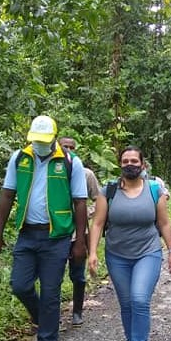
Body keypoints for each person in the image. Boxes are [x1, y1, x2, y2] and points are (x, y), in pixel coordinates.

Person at [0, 116, 88, 341]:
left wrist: (80, 241)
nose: (39, 145)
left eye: (44, 141)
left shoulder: (70, 162)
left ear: (54, 138)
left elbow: (80, 201)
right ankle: (41, 317)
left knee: (50, 292)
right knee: (19, 285)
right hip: (27, 233)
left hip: (57, 237)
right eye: (36, 141)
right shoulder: (19, 158)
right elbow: (8, 193)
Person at [88, 145, 171, 341]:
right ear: (120, 164)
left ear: (142, 165)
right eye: (125, 161)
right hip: (117, 255)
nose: (130, 164)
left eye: (134, 161)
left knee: (139, 299)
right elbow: (97, 223)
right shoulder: (109, 191)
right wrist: (93, 253)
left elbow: (164, 223)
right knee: (126, 303)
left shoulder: (154, 190)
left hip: (147, 252)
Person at [59, 136, 101, 327]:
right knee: (53, 276)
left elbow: (98, 200)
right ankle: (52, 313)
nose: (68, 149)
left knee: (78, 275)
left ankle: (77, 311)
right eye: (64, 146)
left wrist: (85, 214)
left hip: (79, 233)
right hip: (57, 233)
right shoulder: (52, 172)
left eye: (71, 147)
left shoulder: (86, 174)